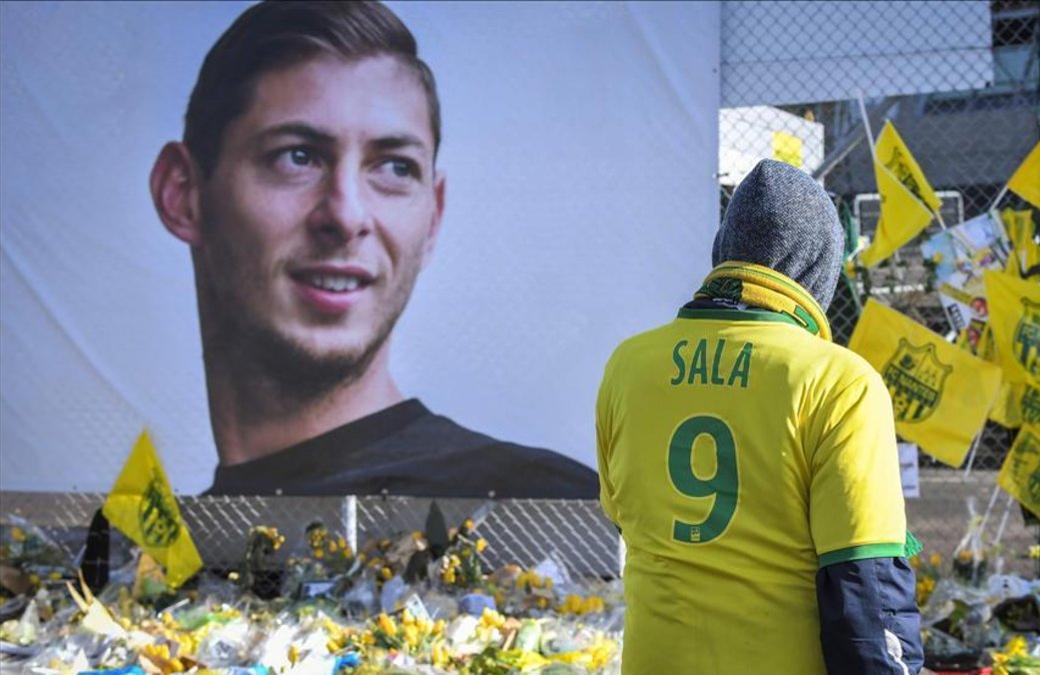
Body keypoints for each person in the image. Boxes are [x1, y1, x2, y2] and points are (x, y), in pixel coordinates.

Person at [149, 1, 596, 498]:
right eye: (297, 157)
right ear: (183, 194)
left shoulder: (552, 517)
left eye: (394, 168)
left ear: (433, 218)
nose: (346, 216)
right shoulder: (142, 559)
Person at [595, 160, 923, 673]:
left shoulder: (628, 366)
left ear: (723, 252)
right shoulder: (840, 382)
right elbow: (869, 591)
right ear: (821, 269)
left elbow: (625, 520)